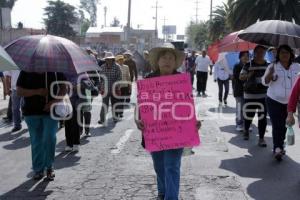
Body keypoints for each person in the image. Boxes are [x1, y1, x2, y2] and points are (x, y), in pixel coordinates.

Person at [135, 43, 201, 200]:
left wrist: (194, 122)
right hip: (154, 132)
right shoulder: (148, 80)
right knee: (159, 167)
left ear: (175, 62)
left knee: (172, 166)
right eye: (164, 57)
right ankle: (163, 192)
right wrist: (137, 119)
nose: (167, 61)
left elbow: (187, 105)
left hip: (176, 132)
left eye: (171, 58)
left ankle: (171, 197)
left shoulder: (181, 80)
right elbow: (141, 105)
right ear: (157, 61)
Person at [17, 71, 66, 181]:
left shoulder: (56, 69)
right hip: (31, 112)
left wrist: (54, 102)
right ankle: (38, 169)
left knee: (49, 138)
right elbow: (19, 91)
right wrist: (37, 92)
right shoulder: (26, 70)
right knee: (36, 141)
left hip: (50, 112)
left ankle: (49, 167)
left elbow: (64, 88)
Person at [263, 45, 300, 161]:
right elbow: (265, 82)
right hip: (273, 100)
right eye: (282, 53)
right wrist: (270, 73)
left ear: (291, 54)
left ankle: (280, 143)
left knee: (285, 124)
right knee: (276, 124)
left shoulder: (297, 67)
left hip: (290, 102)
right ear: (278, 55)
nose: (285, 55)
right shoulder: (273, 66)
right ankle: (277, 148)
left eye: (287, 53)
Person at [239, 45, 268, 145]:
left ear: (265, 53)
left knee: (262, 118)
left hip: (264, 96)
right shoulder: (248, 64)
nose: (260, 54)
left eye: (262, 52)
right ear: (254, 53)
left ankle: (261, 138)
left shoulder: (268, 65)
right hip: (250, 95)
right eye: (258, 52)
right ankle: (246, 130)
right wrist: (249, 75)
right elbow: (241, 77)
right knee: (249, 116)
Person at [98, 52, 122, 125]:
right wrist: (100, 87)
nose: (109, 60)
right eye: (107, 59)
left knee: (114, 104)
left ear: (113, 59)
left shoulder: (117, 67)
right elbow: (100, 78)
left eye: (110, 59)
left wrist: (116, 84)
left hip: (114, 89)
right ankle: (102, 119)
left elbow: (120, 77)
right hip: (105, 89)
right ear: (105, 60)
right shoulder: (102, 67)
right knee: (104, 104)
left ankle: (115, 118)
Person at [233, 51, 250, 132]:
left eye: (247, 55)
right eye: (244, 56)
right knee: (240, 108)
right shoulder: (237, 66)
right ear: (240, 57)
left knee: (247, 108)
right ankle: (239, 124)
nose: (246, 57)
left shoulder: (250, 66)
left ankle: (247, 124)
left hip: (249, 91)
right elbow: (237, 78)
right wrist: (246, 77)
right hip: (239, 90)